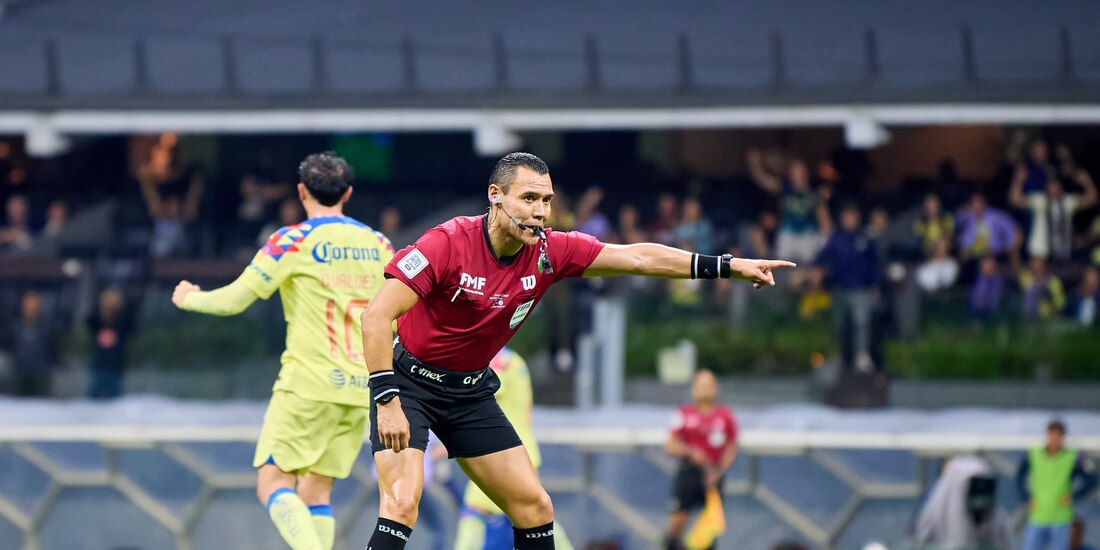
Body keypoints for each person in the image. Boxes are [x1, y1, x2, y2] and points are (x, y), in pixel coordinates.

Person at [358, 152, 793, 549]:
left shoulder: (551, 252)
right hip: (407, 387)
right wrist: (387, 400)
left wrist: (728, 266)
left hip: (469, 394)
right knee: (401, 504)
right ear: (495, 196)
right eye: (529, 198)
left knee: (536, 509)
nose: (540, 212)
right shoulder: (447, 242)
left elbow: (638, 258)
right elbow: (375, 317)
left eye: (546, 200)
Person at [172, 152, 394, 550]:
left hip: (307, 386)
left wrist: (191, 298)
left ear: (301, 191)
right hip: (361, 387)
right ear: (348, 193)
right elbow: (399, 315)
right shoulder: (379, 244)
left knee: (272, 482)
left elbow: (233, 301)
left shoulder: (292, 241)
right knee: (316, 493)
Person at [453, 347, 572, 550]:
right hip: (517, 451)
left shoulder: (496, 361)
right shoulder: (512, 359)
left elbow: (471, 398)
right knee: (533, 515)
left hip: (504, 454)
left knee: (476, 513)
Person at [663, 370, 738, 550]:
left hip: (713, 474)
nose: (705, 389)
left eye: (709, 385)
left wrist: (719, 470)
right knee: (678, 520)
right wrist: (690, 452)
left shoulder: (725, 416)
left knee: (709, 524)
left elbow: (731, 446)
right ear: (694, 389)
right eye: (701, 385)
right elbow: (670, 444)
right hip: (689, 471)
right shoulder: (684, 413)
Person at [1016, 420, 1098, 550]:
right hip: (1039, 514)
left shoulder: (1072, 456)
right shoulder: (1034, 454)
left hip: (1061, 517)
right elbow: (1020, 475)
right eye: (1051, 435)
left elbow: (1091, 480)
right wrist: (1026, 497)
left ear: (1063, 437)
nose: (1054, 440)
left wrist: (1074, 496)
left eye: (1057, 436)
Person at [87, 288, 134, 399]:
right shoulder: (97, 321)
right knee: (94, 398)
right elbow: (90, 320)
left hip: (116, 366)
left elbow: (131, 326)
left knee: (114, 400)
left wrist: (119, 310)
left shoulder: (122, 321)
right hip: (98, 365)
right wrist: (102, 310)